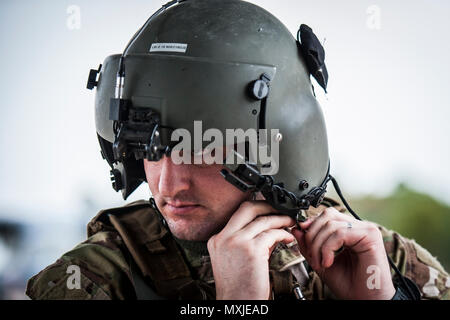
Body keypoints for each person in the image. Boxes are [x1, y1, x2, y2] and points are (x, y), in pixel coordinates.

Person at [26, 0, 449, 300]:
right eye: (149, 149)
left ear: (277, 146)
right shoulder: (94, 279)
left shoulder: (379, 261)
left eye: (202, 149)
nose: (167, 183)